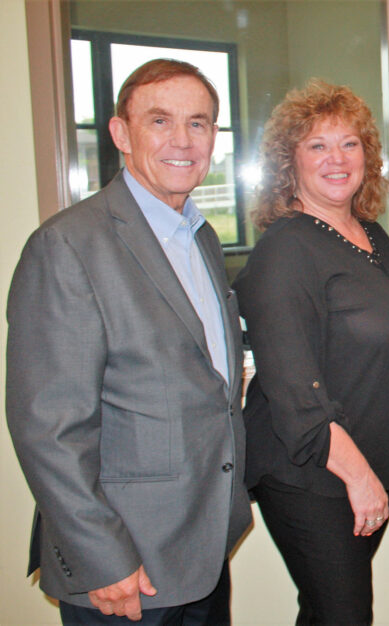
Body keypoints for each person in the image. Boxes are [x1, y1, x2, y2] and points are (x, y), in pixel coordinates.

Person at [6, 59, 250, 623]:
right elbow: (49, 427)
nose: (182, 141)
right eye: (160, 121)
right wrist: (103, 559)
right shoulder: (68, 247)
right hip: (125, 565)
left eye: (199, 123)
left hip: (202, 548)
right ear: (120, 133)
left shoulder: (200, 237)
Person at [233, 79, 389, 625]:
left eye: (349, 143)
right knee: (344, 616)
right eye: (317, 145)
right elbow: (293, 385)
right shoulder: (285, 249)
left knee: (329, 613)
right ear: (288, 164)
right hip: (309, 471)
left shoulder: (369, 233)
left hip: (367, 462)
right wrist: (359, 476)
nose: (337, 158)